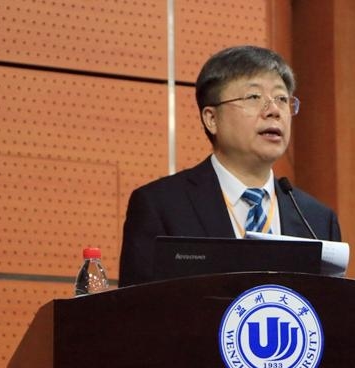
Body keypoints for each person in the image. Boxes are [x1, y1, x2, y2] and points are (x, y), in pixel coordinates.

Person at [119, 45, 341, 287]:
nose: (274, 111)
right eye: (254, 97)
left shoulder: (317, 220)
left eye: (281, 99)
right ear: (212, 119)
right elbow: (137, 307)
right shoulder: (162, 207)